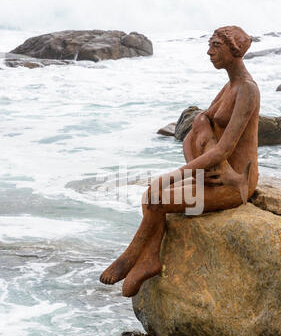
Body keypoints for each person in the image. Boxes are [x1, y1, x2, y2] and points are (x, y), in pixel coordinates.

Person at [100, 25, 260, 298]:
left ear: (234, 51)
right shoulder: (229, 86)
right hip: (215, 175)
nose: (209, 51)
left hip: (235, 184)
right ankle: (150, 258)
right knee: (196, 124)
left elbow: (224, 148)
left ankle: (130, 257)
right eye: (209, 45)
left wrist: (176, 175)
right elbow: (197, 130)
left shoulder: (247, 90)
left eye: (215, 46)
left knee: (157, 197)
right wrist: (196, 173)